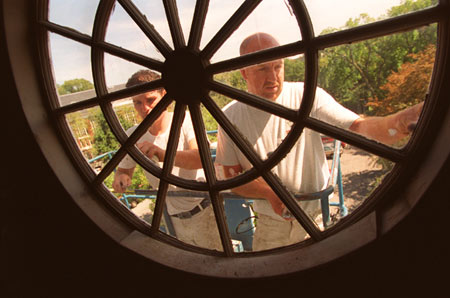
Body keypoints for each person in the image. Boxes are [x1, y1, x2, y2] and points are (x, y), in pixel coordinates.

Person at [215, 32, 424, 251]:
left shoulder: (307, 96)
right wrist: (269, 193)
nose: (273, 77)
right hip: (270, 227)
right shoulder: (230, 117)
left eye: (278, 66)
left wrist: (397, 123)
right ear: (244, 73)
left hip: (316, 219)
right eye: (262, 69)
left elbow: (359, 127)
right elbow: (232, 179)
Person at [112, 69, 222, 251]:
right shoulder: (133, 134)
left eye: (150, 100)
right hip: (172, 217)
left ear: (165, 95)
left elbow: (201, 158)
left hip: (205, 211)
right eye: (137, 103)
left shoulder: (186, 120)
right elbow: (124, 171)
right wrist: (121, 179)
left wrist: (162, 153)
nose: (144, 108)